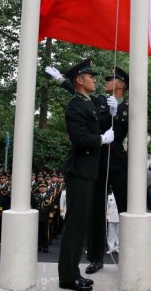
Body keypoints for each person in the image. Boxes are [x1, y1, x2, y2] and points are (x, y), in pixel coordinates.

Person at [46, 64, 129, 274]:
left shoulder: (129, 105)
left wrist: (117, 112)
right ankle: (95, 257)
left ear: (120, 84)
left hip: (118, 160)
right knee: (95, 211)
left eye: (110, 79)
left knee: (126, 210)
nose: (105, 82)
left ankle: (130, 255)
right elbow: (79, 94)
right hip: (98, 160)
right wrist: (61, 80)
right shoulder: (100, 100)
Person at [57, 59, 114, 291]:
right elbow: (79, 138)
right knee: (76, 225)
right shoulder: (75, 105)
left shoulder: (87, 103)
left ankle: (72, 273)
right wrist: (101, 139)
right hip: (80, 170)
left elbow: (99, 122)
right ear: (79, 80)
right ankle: (68, 277)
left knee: (81, 225)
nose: (95, 80)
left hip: (88, 171)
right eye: (90, 76)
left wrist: (112, 112)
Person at [106, 188, 120, 254]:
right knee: (111, 234)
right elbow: (107, 207)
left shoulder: (120, 195)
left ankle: (118, 248)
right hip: (111, 216)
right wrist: (107, 216)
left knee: (118, 233)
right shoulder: (109, 196)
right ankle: (111, 248)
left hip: (118, 216)